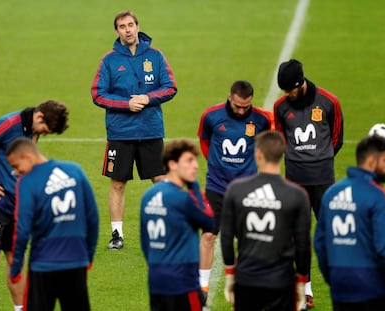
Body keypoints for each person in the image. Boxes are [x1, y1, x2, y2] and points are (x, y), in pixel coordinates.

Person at [91, 10, 177, 250]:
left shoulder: (156, 56)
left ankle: (168, 230)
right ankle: (116, 235)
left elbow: (170, 87)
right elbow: (98, 94)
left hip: (150, 130)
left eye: (130, 25)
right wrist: (125, 104)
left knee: (160, 180)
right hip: (120, 133)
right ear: (117, 31)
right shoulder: (109, 60)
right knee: (117, 183)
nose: (127, 30)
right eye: (122, 26)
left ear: (137, 27)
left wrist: (148, 99)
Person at [0, 100, 69, 311]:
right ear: (39, 117)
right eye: (45, 131)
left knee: (16, 263)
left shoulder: (31, 129)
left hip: (17, 206)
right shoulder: (7, 124)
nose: (44, 135)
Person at [274, 58, 344, 307]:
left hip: (324, 180)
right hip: (295, 181)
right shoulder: (280, 107)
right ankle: (305, 289)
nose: (287, 94)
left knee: (331, 234)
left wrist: (319, 160)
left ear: (300, 82)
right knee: (297, 236)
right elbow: (281, 139)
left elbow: (337, 139)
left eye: (289, 89)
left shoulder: (328, 102)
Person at [196, 80, 273, 300]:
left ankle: (246, 284)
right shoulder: (211, 116)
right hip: (216, 187)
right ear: (230, 97)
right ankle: (202, 287)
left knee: (248, 238)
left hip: (247, 189)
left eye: (245, 106)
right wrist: (216, 164)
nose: (241, 110)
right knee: (209, 235)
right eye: (238, 106)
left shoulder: (261, 119)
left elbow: (269, 145)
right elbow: (205, 142)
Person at [221, 130, 311, 311]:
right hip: (281, 281)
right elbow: (303, 245)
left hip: (246, 278)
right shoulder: (297, 195)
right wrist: (301, 282)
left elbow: (227, 237)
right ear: (282, 153)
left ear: (258, 154)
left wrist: (230, 275)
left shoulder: (237, 189)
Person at [6, 137, 99, 311]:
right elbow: (93, 218)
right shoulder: (75, 171)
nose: (16, 172)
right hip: (76, 262)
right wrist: (88, 256)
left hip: (43, 265)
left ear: (28, 156)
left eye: (16, 166)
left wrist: (16, 269)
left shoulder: (26, 182)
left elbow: (22, 230)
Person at [314, 135, 385, 311]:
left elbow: (319, 242)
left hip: (340, 286)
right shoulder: (378, 195)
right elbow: (384, 249)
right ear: (371, 161)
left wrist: (333, 277)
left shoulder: (332, 193)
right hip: (373, 288)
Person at [140, 139, 214, 311]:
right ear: (172, 164)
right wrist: (194, 187)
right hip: (184, 282)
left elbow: (145, 242)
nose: (195, 166)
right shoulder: (184, 199)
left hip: (156, 280)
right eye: (189, 161)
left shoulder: (148, 195)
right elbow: (210, 222)